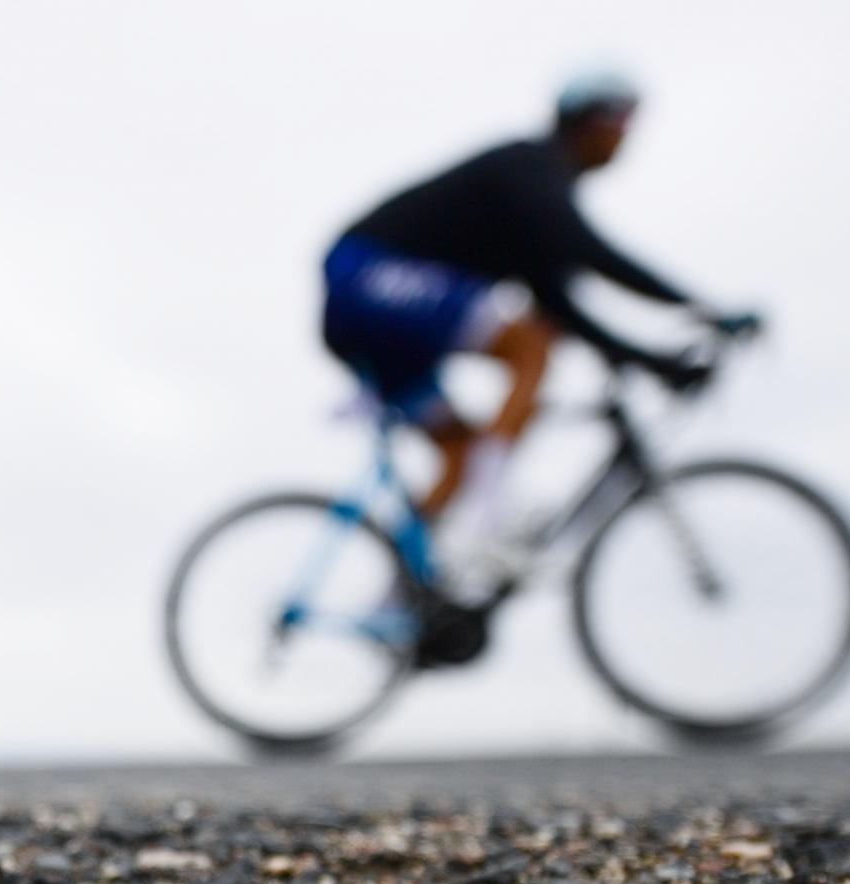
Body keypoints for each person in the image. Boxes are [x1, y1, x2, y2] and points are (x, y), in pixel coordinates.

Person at [321, 73, 757, 557]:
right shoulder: (531, 166)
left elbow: (565, 310)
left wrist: (655, 363)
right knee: (531, 345)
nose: (626, 136)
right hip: (362, 276)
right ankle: (493, 508)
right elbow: (589, 250)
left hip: (379, 327)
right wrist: (702, 309)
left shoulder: (532, 211)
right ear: (591, 120)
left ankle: (402, 599)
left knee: (459, 453)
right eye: (622, 120)